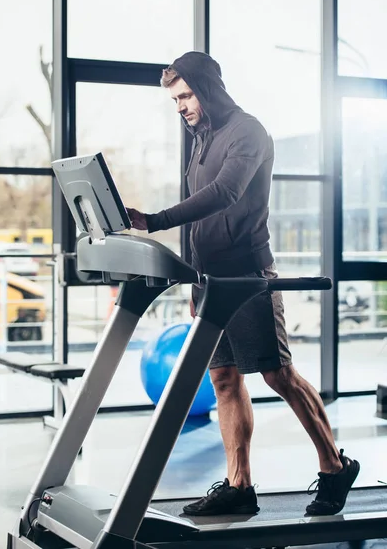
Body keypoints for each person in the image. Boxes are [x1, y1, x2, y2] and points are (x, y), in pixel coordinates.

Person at [127, 51, 360, 517]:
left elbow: (224, 194)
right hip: (210, 279)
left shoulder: (248, 132)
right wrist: (194, 281)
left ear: (208, 88)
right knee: (224, 379)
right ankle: (240, 486)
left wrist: (154, 220)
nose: (181, 106)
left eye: (186, 95)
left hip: (248, 274)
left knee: (277, 374)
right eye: (175, 100)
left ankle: (335, 466)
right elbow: (200, 222)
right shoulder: (200, 139)